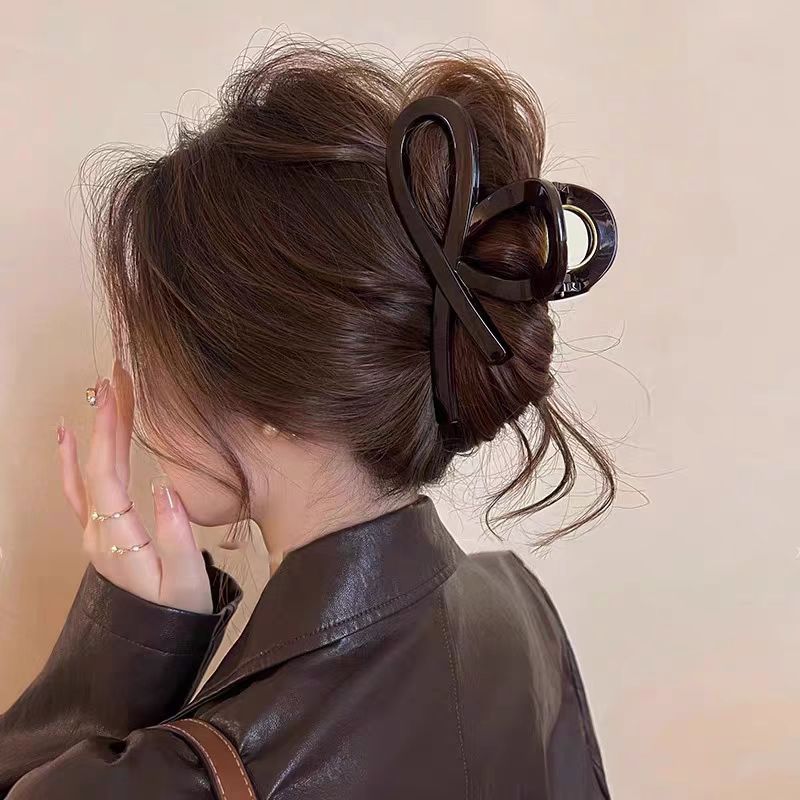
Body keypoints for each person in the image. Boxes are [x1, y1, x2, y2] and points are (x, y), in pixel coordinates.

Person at [0, 38, 617, 799]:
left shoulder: (178, 781)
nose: (133, 397)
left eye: (151, 350)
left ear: (270, 398)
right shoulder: (520, 614)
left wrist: (122, 656)